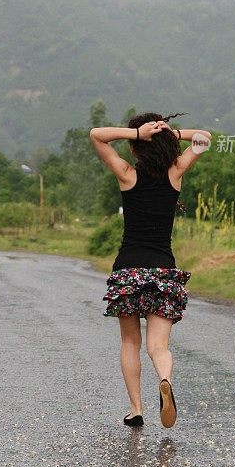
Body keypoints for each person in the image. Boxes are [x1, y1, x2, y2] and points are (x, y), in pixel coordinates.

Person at [89, 113, 212, 429]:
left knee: (131, 343)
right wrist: (173, 132)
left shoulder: (127, 174)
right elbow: (204, 137)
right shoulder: (176, 173)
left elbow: (96, 135)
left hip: (128, 271)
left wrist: (136, 133)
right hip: (163, 273)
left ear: (137, 147)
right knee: (159, 347)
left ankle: (136, 409)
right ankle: (165, 379)